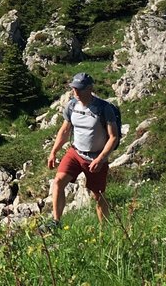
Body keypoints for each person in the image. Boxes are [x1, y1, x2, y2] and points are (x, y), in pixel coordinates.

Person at [47, 72, 119, 224]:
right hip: (75, 153)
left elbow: (113, 137)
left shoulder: (104, 108)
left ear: (90, 88)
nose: (76, 92)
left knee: (98, 195)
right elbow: (65, 130)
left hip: (96, 157)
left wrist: (101, 159)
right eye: (74, 89)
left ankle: (104, 229)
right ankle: (56, 221)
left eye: (80, 89)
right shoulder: (72, 105)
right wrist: (53, 152)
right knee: (58, 181)